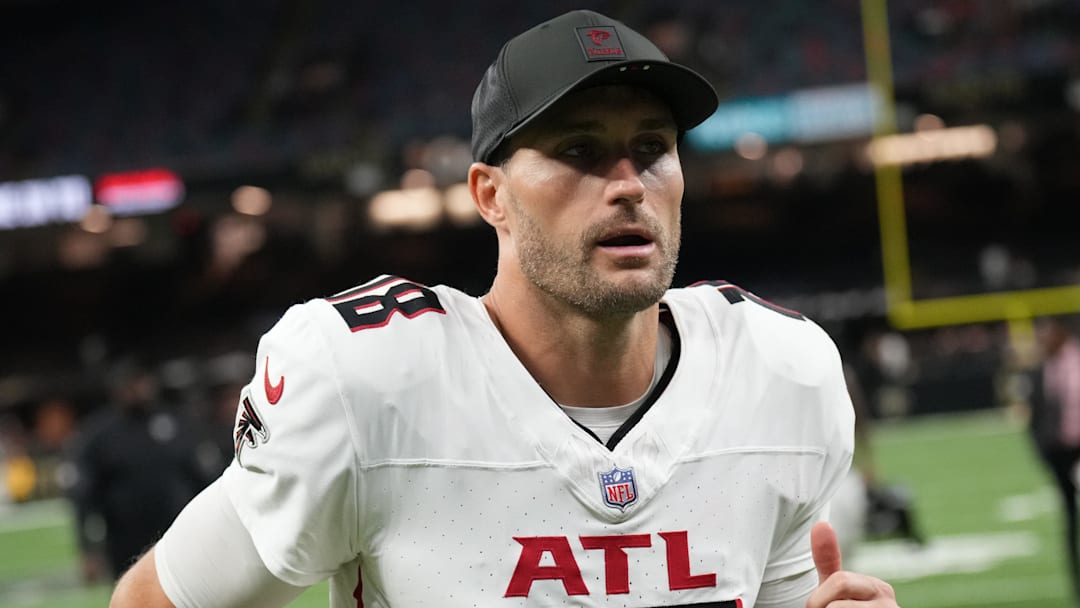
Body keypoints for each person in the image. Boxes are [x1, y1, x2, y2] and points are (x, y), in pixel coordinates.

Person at [112, 10, 899, 607]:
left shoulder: (778, 371)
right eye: (580, 152)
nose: (628, 182)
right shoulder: (366, 381)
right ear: (491, 195)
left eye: (653, 148)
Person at [66, 356, 208, 583]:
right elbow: (83, 496)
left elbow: (202, 479)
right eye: (130, 383)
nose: (138, 389)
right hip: (125, 543)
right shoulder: (99, 435)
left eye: (141, 381)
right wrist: (88, 549)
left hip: (178, 535)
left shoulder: (176, 422)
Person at [1030, 316, 1080, 603]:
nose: (1043, 339)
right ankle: (1077, 584)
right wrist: (1044, 452)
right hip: (1060, 455)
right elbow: (1035, 419)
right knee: (1070, 521)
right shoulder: (1041, 369)